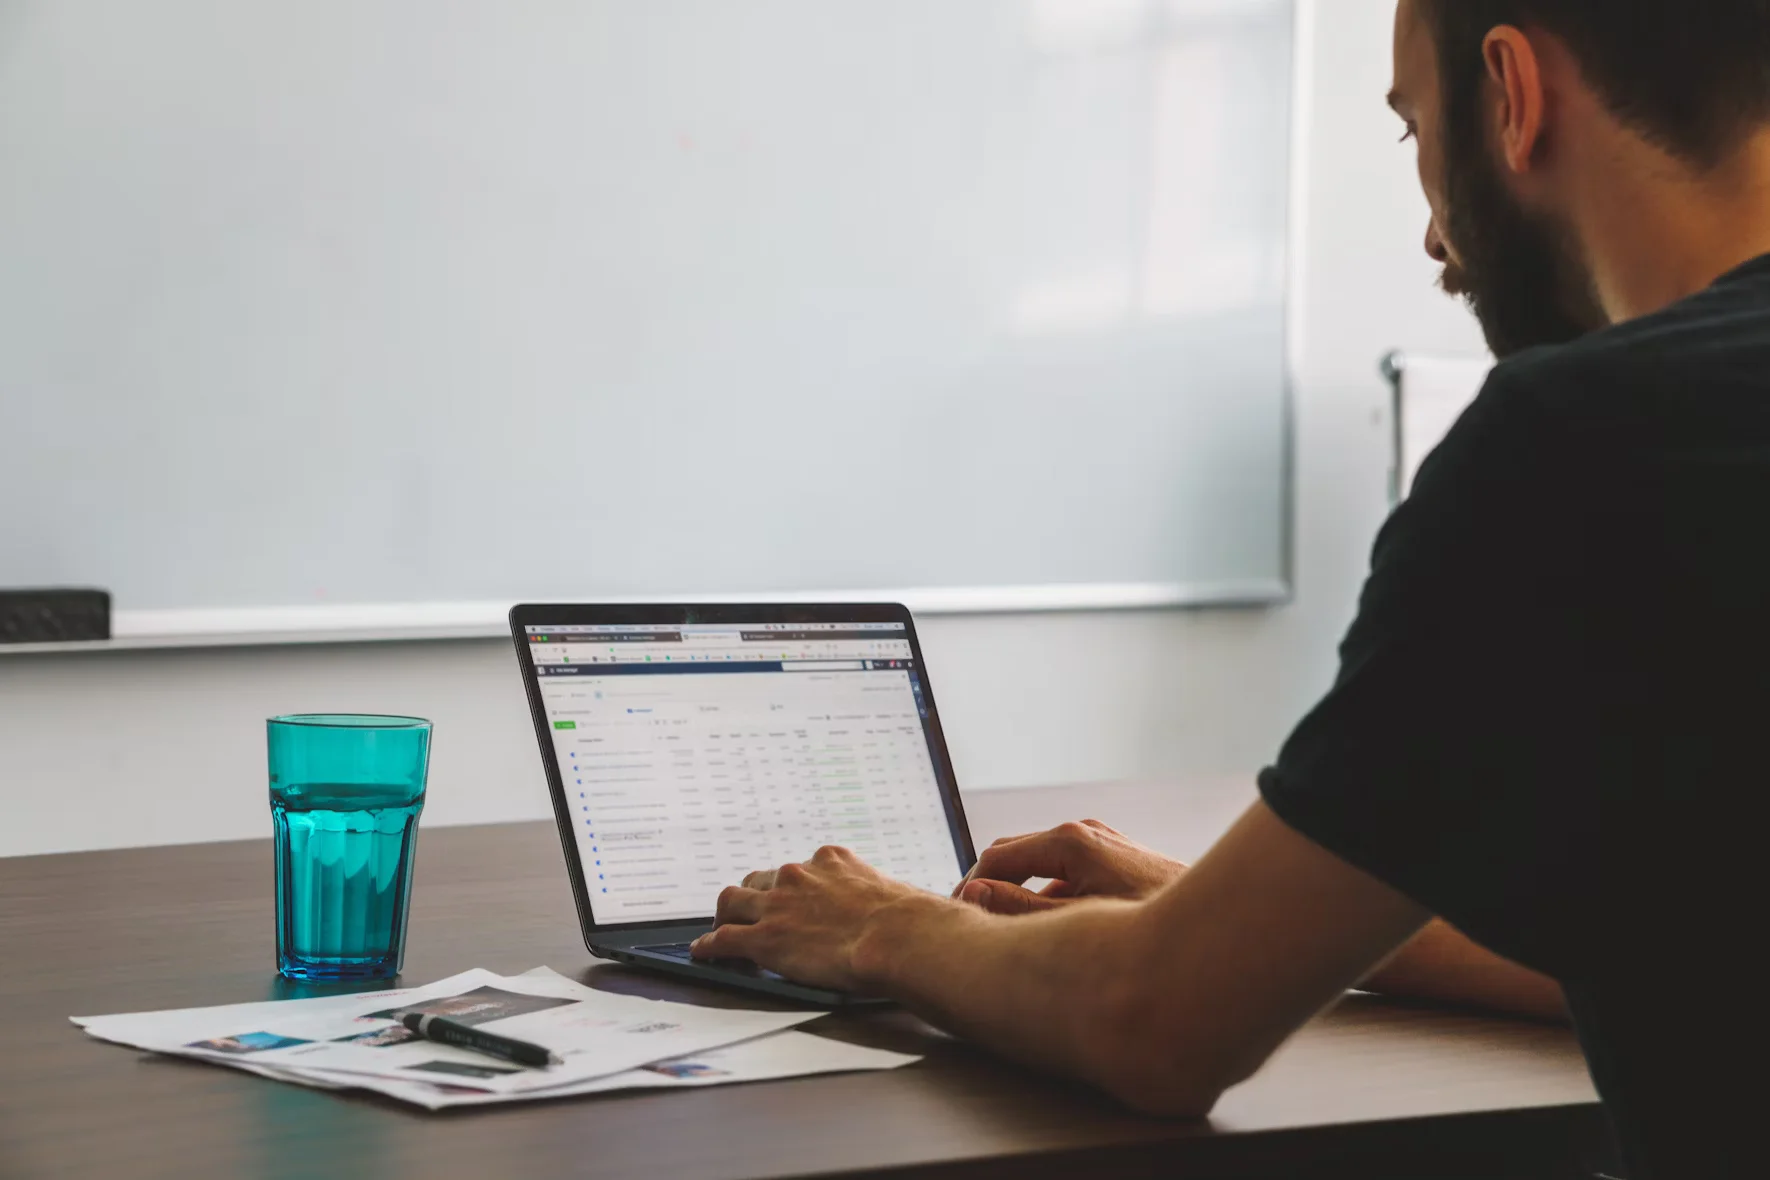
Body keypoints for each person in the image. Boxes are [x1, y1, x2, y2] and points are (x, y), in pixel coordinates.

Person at [692, 3, 1770, 1174]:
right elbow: (1687, 945)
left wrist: (885, 929)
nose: (1431, 241)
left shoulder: (1581, 446)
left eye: (1416, 135)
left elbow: (1154, 1026)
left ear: (1512, 93)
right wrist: (1227, 907)